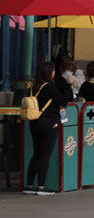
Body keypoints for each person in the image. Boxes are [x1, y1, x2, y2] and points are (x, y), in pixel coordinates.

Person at [23, 62, 68, 195]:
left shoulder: (33, 87)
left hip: (34, 123)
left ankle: (29, 185)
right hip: (49, 123)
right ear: (50, 73)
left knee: (36, 154)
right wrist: (67, 85)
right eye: (53, 71)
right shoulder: (50, 88)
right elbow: (63, 101)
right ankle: (42, 186)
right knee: (45, 155)